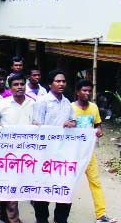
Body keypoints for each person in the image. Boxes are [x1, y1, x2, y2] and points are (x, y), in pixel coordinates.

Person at [0, 73, 35, 223]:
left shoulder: (33, 104)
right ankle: (14, 219)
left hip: (26, 152)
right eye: (16, 85)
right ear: (10, 87)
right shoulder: (2, 104)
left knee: (14, 184)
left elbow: (38, 123)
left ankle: (2, 214)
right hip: (6, 153)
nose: (19, 87)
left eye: (22, 84)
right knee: (11, 184)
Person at [33, 69, 76, 223]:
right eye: (58, 81)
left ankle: (61, 218)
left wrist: (71, 124)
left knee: (64, 187)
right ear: (50, 84)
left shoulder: (67, 103)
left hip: (63, 154)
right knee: (43, 189)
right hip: (45, 154)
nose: (61, 84)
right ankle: (42, 219)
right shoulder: (42, 102)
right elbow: (36, 125)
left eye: (63, 81)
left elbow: (74, 121)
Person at [71, 80, 117, 223]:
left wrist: (99, 132)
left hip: (88, 152)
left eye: (89, 91)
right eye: (84, 90)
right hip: (72, 153)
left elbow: (97, 125)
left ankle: (101, 215)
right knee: (67, 182)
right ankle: (60, 215)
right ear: (77, 92)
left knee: (95, 182)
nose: (87, 93)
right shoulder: (70, 108)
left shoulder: (94, 108)